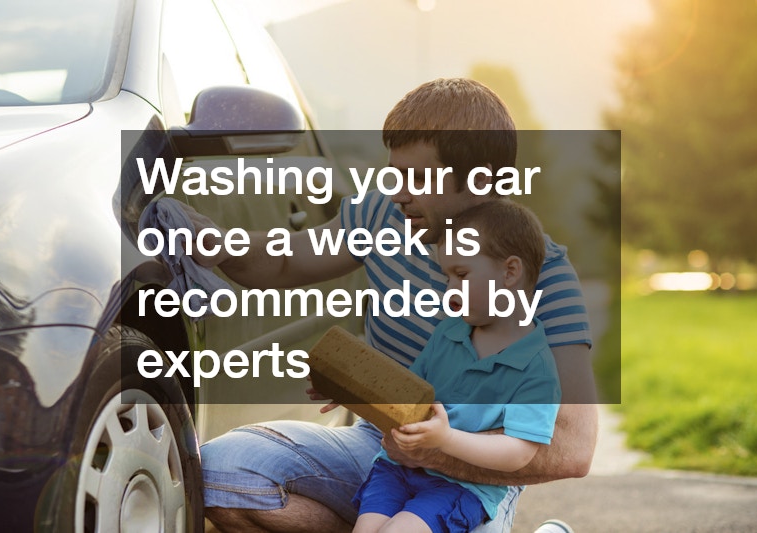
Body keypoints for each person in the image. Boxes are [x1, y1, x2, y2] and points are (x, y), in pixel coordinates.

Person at [190, 78, 598, 533]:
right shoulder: (383, 217)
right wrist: (217, 244)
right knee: (220, 475)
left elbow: (573, 448)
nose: (400, 192)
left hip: (474, 478)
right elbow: (284, 260)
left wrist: (439, 448)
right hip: (380, 447)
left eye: (419, 178)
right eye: (396, 174)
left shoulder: (545, 276)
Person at [352, 200, 561, 533]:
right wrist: (351, 388)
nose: (449, 290)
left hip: (460, 485)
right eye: (447, 276)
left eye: (461, 275)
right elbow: (407, 392)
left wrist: (446, 439)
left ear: (510, 272)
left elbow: (518, 452)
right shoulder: (450, 331)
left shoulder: (535, 366)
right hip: (396, 469)